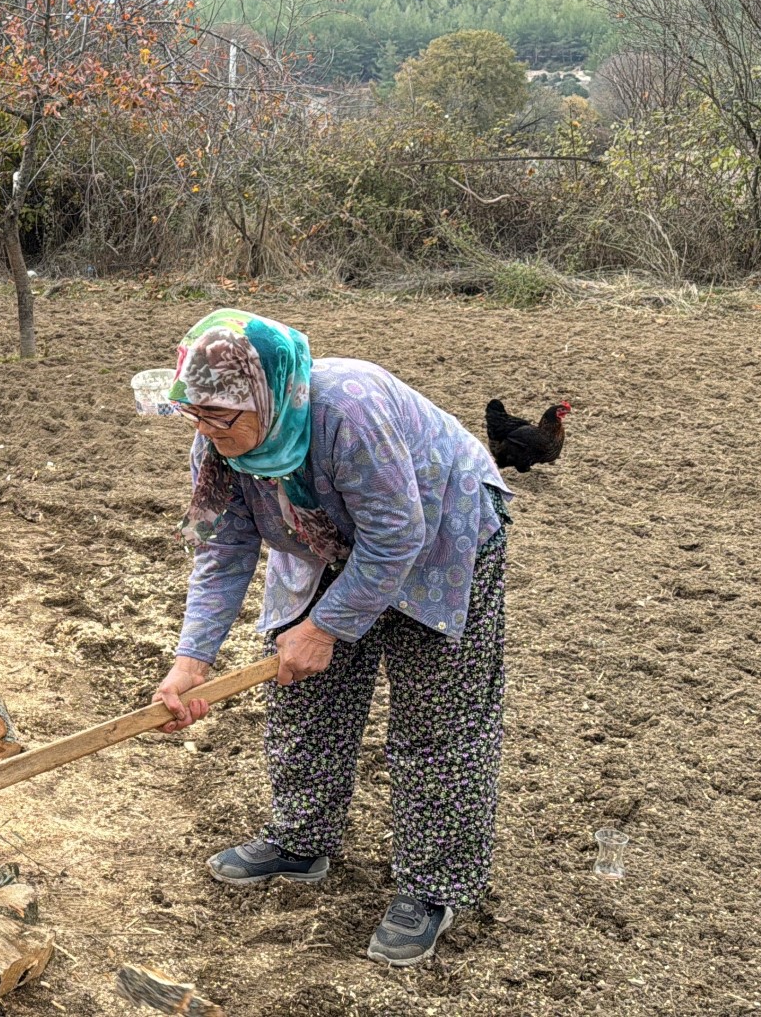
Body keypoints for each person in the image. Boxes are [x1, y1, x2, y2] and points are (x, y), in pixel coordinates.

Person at [150, 308, 511, 968]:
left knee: (438, 719)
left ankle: (433, 887)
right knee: (304, 695)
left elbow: (399, 534)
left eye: (220, 416)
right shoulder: (216, 442)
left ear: (269, 393)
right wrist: (190, 662)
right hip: (323, 542)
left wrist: (327, 626)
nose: (204, 429)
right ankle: (301, 838)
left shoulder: (348, 411)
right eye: (193, 414)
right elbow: (221, 553)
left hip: (438, 533)